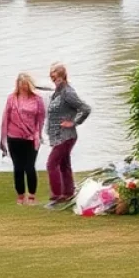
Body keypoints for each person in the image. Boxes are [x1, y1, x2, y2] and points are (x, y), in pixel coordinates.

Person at [44, 63, 90, 209]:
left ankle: (57, 196)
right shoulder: (58, 91)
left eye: (55, 75)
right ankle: (68, 193)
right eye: (51, 75)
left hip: (66, 135)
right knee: (64, 164)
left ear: (62, 75)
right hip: (57, 135)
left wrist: (74, 122)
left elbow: (85, 108)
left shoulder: (68, 92)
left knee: (52, 164)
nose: (53, 77)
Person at [0, 73, 46, 204]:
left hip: (31, 137)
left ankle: (32, 195)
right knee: (18, 167)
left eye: (26, 84)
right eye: (21, 84)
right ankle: (20, 195)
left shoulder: (37, 99)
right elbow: (5, 119)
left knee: (29, 166)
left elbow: (41, 118)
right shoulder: (12, 98)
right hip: (14, 137)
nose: (23, 87)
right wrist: (3, 139)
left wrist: (39, 134)